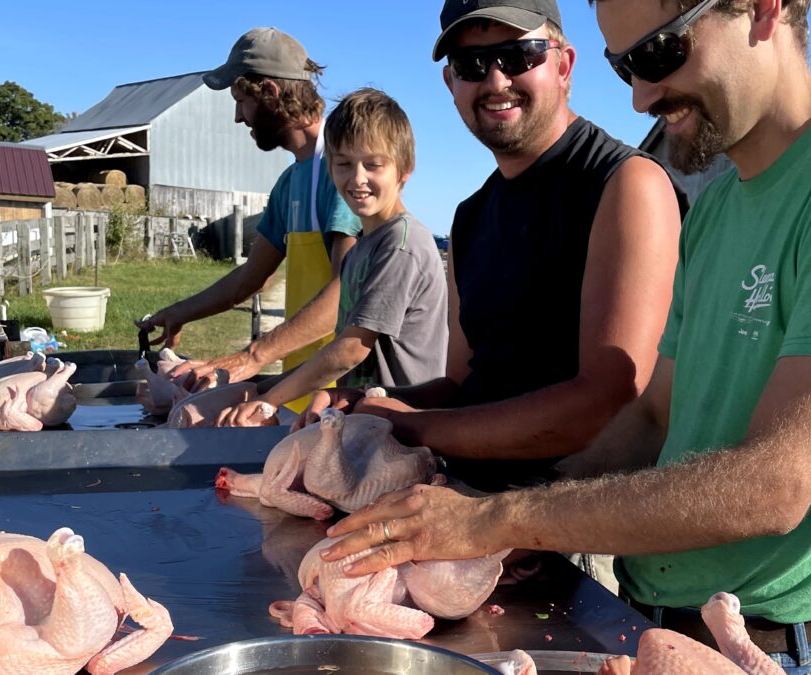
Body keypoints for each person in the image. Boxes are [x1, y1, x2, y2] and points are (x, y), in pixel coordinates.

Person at [319, 0, 811, 673]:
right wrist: (508, 523)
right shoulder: (717, 207)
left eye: (660, 55)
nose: (643, 95)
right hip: (640, 624)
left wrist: (494, 519)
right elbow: (652, 416)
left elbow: (776, 483)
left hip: (756, 648)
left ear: (766, 10)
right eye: (624, 68)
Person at [297, 0, 685, 492]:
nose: (497, 80)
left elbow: (609, 401)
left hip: (563, 521)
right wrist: (364, 404)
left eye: (519, 55)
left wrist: (406, 423)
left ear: (563, 64)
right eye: (471, 64)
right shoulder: (470, 217)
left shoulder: (626, 184)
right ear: (451, 83)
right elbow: (460, 386)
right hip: (459, 499)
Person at [137, 28, 361, 403]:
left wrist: (251, 358)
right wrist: (180, 313)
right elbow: (250, 279)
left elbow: (346, 293)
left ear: (270, 93)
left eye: (241, 101)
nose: (239, 118)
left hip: (343, 393)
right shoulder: (290, 182)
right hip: (302, 387)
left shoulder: (343, 171)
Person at [222, 88, 447, 425]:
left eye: (373, 165)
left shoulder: (401, 244)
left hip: (408, 429)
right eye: (343, 164)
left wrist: (268, 402)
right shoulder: (362, 248)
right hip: (368, 424)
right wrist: (255, 390)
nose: (357, 178)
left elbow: (351, 350)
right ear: (329, 168)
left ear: (404, 170)